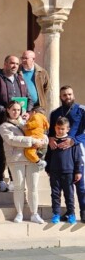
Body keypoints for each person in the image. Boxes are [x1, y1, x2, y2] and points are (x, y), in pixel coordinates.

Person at [0, 55, 33, 192]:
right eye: (12, 63)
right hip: (1, 122)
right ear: (5, 64)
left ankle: (13, 179)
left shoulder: (20, 79)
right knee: (1, 152)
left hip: (18, 123)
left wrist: (27, 111)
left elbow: (29, 99)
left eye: (17, 64)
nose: (15, 66)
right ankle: (0, 179)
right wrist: (4, 110)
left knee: (17, 150)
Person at [0, 101, 46, 224]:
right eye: (13, 109)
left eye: (18, 110)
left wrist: (43, 140)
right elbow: (12, 140)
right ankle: (19, 213)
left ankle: (34, 214)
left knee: (33, 187)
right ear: (8, 110)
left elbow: (40, 132)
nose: (16, 112)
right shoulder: (4, 126)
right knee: (19, 187)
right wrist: (32, 140)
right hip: (16, 159)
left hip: (32, 158)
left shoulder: (27, 122)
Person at [48, 86, 85, 221]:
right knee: (61, 188)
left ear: (73, 95)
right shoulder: (55, 113)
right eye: (64, 95)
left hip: (78, 150)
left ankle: (83, 212)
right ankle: (67, 212)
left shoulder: (81, 110)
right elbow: (50, 133)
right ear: (60, 97)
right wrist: (50, 138)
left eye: (69, 94)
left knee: (80, 184)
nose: (67, 97)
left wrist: (73, 140)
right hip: (60, 155)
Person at [45, 117, 83, 224]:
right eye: (58, 128)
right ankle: (56, 214)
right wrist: (48, 169)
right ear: (55, 128)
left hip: (68, 172)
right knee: (55, 194)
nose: (60, 131)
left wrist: (78, 171)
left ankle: (71, 214)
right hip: (54, 172)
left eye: (62, 128)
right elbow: (47, 157)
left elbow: (78, 158)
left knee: (69, 194)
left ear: (68, 129)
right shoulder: (52, 142)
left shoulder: (72, 142)